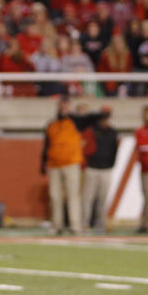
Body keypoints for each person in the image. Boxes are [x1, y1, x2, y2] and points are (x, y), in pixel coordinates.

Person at [40, 97, 104, 235]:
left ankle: (75, 225)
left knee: (73, 195)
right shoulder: (51, 124)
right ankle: (57, 225)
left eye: (66, 105)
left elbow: (91, 118)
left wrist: (102, 113)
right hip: (54, 164)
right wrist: (43, 163)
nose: (63, 108)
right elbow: (46, 145)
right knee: (55, 196)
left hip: (71, 163)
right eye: (61, 105)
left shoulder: (75, 121)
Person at [81, 107, 118, 234]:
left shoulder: (112, 131)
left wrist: (111, 164)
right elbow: (85, 148)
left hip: (106, 169)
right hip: (92, 168)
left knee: (102, 199)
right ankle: (84, 224)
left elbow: (114, 150)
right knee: (88, 198)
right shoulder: (92, 130)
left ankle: (100, 225)